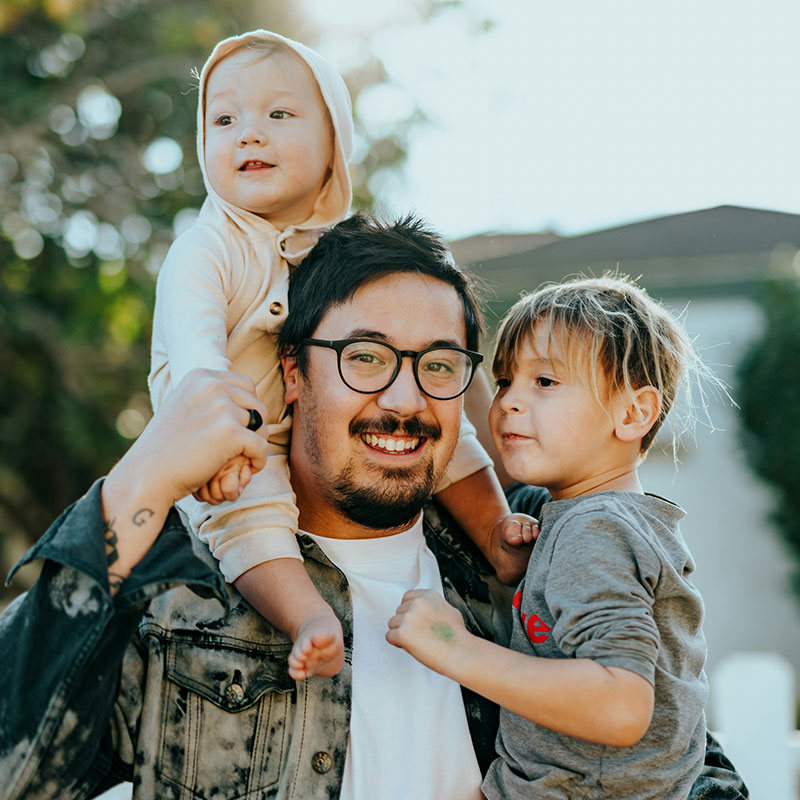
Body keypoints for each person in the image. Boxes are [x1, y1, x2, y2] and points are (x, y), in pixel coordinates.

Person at [1, 218, 746, 799]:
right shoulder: (178, 588)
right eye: (364, 357)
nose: (403, 399)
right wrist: (136, 484)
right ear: (292, 373)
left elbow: (680, 757)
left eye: (439, 366)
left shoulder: (526, 556)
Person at [148, 29, 533, 682]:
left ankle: (497, 532)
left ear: (335, 145)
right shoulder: (207, 247)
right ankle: (308, 617)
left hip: (289, 428)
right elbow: (196, 361)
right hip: (230, 441)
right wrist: (218, 444)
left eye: (278, 114)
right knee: (252, 519)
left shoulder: (341, 253)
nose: (249, 134)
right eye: (224, 119)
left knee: (449, 429)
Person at [388, 274, 736, 799]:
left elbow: (620, 706)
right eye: (504, 380)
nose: (508, 403)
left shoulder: (594, 531)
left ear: (633, 413)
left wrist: (453, 648)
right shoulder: (587, 517)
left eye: (545, 383)